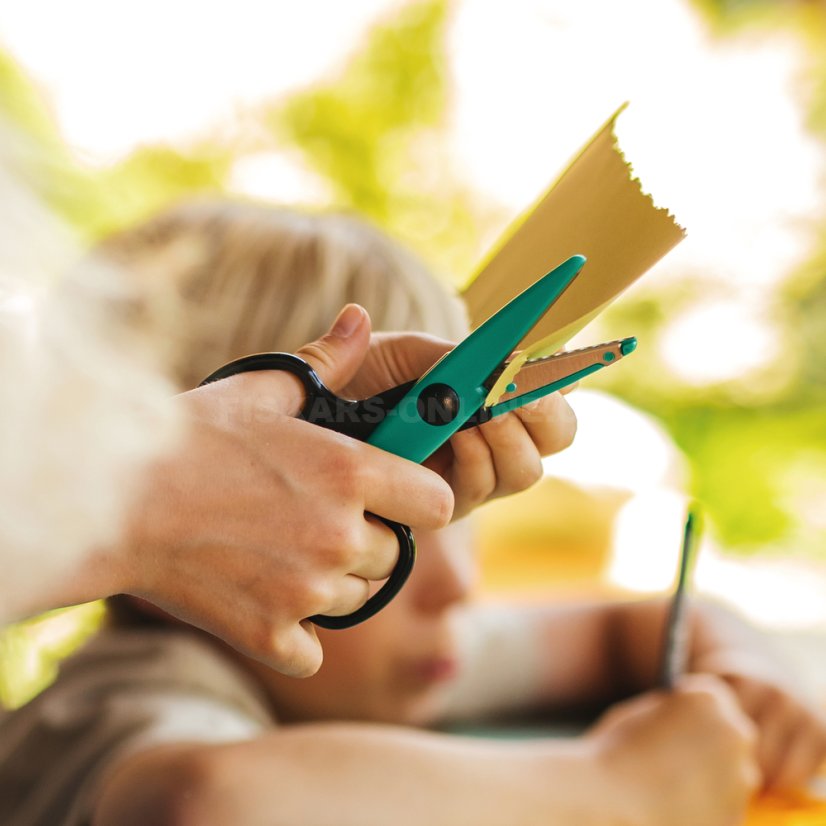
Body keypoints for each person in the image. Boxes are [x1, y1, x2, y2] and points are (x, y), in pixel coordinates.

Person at [2, 200, 823, 826]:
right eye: (380, 526)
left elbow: (628, 629)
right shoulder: (129, 697)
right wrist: (614, 789)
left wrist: (751, 684)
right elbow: (211, 805)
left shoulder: (393, 651)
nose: (456, 588)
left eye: (455, 517)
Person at [0, 129, 574, 677]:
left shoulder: (391, 666)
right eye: (380, 517)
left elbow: (596, 638)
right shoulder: (144, 706)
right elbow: (209, 782)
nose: (460, 585)